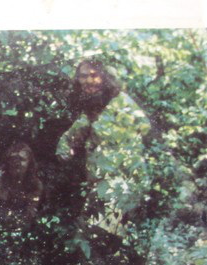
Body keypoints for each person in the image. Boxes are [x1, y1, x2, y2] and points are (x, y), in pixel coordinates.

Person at [56, 59, 151, 236]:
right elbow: (73, 135)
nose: (88, 81)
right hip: (102, 183)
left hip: (121, 182)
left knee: (97, 236)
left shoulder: (121, 102)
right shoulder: (91, 108)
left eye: (94, 75)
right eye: (83, 76)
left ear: (105, 77)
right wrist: (65, 149)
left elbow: (144, 128)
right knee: (94, 236)